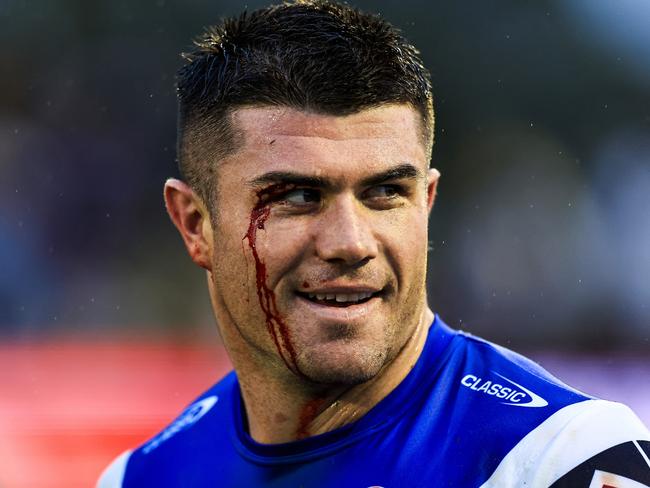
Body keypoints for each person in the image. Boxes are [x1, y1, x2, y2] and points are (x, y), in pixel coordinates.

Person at [98, 1, 650, 486]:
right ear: (196, 224)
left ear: (427, 203)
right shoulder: (140, 478)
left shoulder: (559, 459)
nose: (351, 242)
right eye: (296, 196)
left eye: (385, 191)